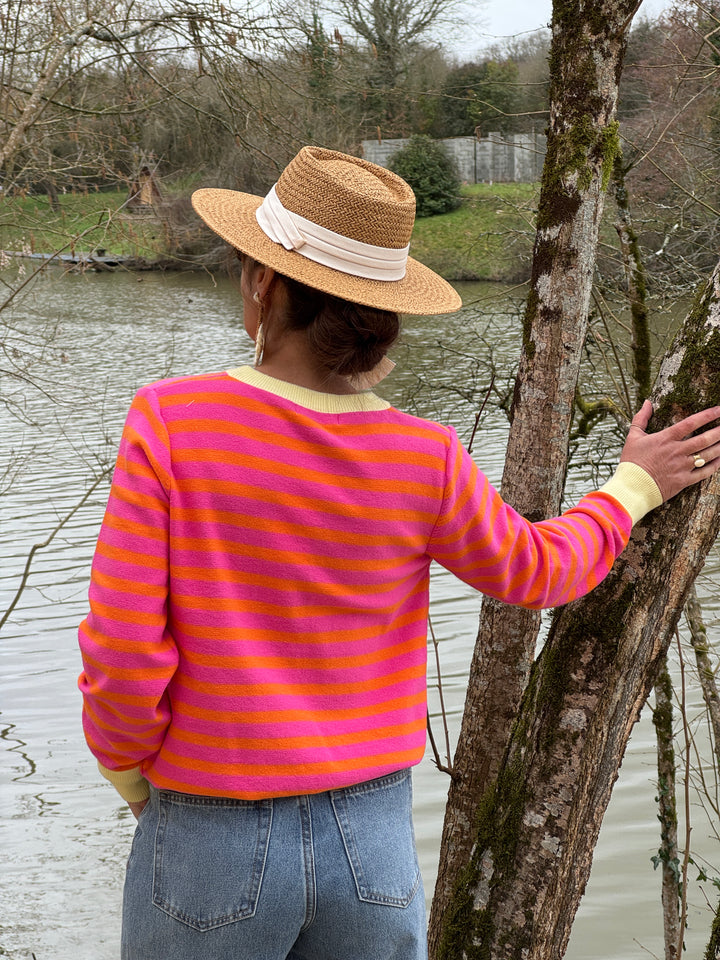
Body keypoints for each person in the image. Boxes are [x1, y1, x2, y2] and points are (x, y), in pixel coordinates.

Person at [78, 146, 720, 960]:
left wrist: (134, 779)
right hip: (372, 843)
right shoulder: (425, 455)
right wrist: (633, 486)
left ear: (263, 285)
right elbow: (537, 570)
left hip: (211, 829)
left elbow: (123, 648)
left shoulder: (172, 422)